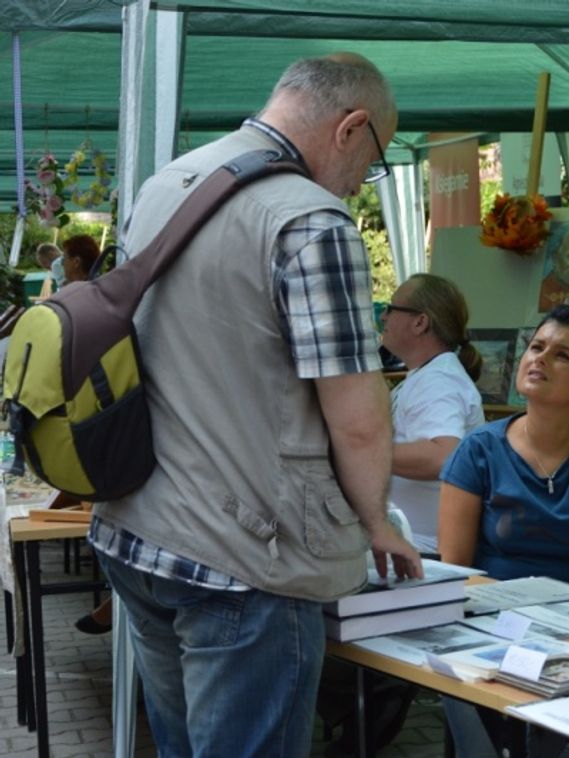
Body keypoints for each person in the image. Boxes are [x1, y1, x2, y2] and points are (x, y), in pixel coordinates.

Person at [88, 53, 422, 757]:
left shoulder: (167, 183)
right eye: (374, 162)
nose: (364, 183)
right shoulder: (310, 220)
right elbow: (357, 419)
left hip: (138, 530)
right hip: (244, 557)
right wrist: (375, 524)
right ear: (351, 127)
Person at [438, 304, 569, 757]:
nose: (539, 359)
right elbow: (455, 572)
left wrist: (559, 639)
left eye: (562, 355)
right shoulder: (478, 451)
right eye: (536, 347)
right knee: (457, 687)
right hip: (486, 630)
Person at [381, 273, 485, 553]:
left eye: (391, 308)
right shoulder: (428, 374)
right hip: (411, 546)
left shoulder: (439, 380)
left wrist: (360, 452)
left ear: (420, 322)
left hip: (423, 552)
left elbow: (442, 455)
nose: (383, 317)